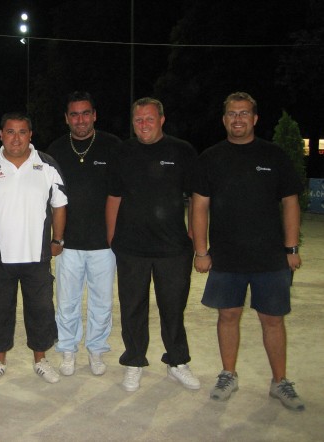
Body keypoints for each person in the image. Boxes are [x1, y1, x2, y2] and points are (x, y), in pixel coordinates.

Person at [191, 92, 305, 411]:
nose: (237, 119)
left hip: (270, 257)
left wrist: (291, 248)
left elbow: (290, 202)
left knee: (273, 320)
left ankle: (279, 381)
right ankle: (228, 374)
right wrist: (201, 251)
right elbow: (199, 206)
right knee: (228, 316)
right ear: (224, 119)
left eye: (243, 113)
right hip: (227, 257)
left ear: (254, 119)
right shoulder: (211, 157)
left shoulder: (274, 155)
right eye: (232, 113)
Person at [106, 97, 200, 392]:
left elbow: (197, 198)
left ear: (161, 119)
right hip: (131, 248)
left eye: (149, 118)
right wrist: (112, 239)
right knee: (132, 308)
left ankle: (177, 361)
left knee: (173, 308)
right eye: (138, 120)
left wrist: (196, 239)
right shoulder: (123, 152)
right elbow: (114, 197)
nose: (143, 124)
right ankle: (134, 361)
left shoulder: (182, 151)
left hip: (173, 249)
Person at [0, 112, 67, 385]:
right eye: (10, 132)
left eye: (22, 132)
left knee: (40, 310)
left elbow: (59, 204)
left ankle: (41, 359)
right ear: (1, 134)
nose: (16, 138)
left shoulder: (46, 165)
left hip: (37, 256)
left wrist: (58, 240)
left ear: (30, 135)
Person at [46, 91, 120, 376]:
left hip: (104, 244)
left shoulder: (112, 146)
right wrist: (55, 237)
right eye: (74, 115)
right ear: (66, 118)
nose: (80, 120)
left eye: (85, 113)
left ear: (94, 115)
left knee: (102, 302)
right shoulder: (55, 150)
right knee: (67, 301)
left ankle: (97, 349)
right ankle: (68, 350)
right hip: (68, 243)